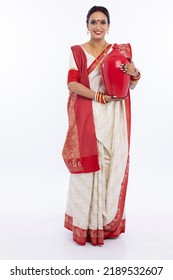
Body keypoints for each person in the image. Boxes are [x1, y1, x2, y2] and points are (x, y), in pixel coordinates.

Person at [62, 5, 141, 246]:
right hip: (91, 115)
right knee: (91, 168)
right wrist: (97, 97)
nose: (98, 26)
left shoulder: (119, 52)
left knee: (111, 164)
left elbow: (130, 86)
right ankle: (86, 225)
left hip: (114, 115)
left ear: (108, 26)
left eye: (102, 22)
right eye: (93, 22)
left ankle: (105, 224)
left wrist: (134, 72)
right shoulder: (77, 52)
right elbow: (72, 84)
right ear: (87, 26)